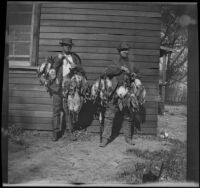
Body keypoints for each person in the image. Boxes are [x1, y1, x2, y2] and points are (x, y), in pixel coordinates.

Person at [99, 41, 136, 147]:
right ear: (119, 52)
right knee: (109, 116)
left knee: (128, 116)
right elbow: (108, 72)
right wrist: (120, 68)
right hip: (114, 92)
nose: (126, 52)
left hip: (127, 93)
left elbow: (136, 74)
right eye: (124, 50)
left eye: (127, 50)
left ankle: (128, 138)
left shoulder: (130, 63)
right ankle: (105, 139)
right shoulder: (115, 61)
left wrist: (133, 75)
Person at [47, 38, 84, 141]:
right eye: (66, 45)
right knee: (56, 110)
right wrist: (59, 59)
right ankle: (55, 133)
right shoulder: (57, 57)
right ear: (62, 46)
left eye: (69, 46)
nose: (68, 47)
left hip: (70, 88)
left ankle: (70, 132)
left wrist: (76, 66)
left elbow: (82, 70)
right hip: (57, 88)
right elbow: (52, 69)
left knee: (69, 111)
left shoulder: (75, 58)